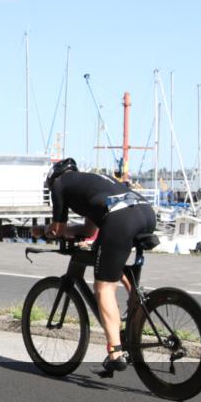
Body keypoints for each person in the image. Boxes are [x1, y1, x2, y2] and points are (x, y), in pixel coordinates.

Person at [43, 158, 156, 377]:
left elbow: (57, 229)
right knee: (116, 267)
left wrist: (41, 230)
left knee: (103, 288)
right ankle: (133, 329)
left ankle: (115, 354)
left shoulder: (60, 184)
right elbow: (87, 229)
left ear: (53, 177)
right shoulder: (90, 182)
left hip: (120, 219)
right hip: (144, 212)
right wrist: (70, 232)